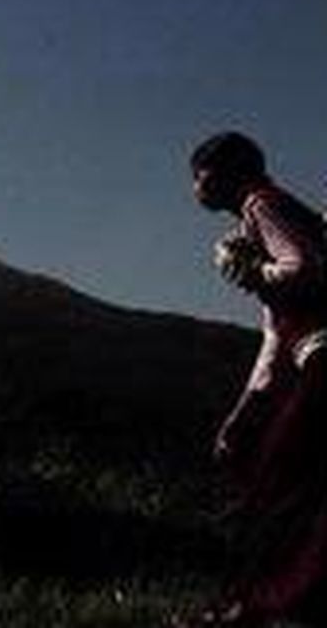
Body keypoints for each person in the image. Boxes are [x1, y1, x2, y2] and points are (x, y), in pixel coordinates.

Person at [184, 131, 327, 626]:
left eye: (198, 176)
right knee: (291, 477)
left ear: (223, 173)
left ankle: (264, 605)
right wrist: (245, 409)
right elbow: (274, 337)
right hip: (308, 359)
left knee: (283, 476)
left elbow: (303, 267)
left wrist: (257, 272)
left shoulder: (263, 206)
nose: (195, 188)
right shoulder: (269, 212)